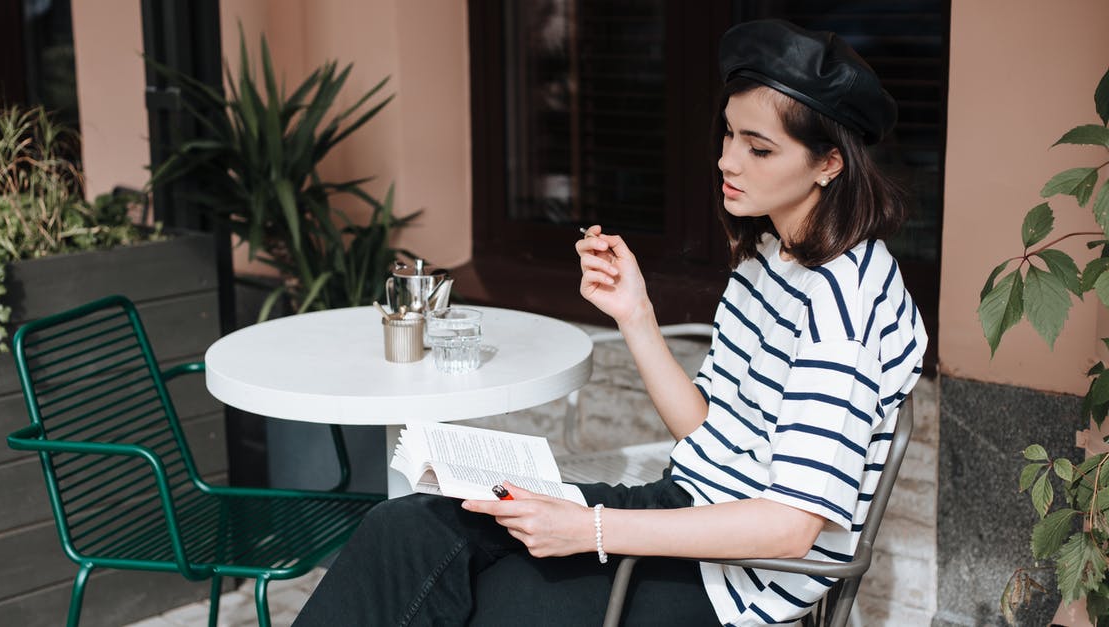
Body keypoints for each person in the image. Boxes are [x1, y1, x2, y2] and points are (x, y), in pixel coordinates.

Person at [292, 18, 926, 627]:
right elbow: (708, 434)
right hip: (686, 508)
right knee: (409, 527)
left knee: (497, 597)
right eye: (728, 136)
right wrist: (636, 314)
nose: (728, 162)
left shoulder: (844, 306)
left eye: (759, 148)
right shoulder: (768, 258)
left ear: (829, 164)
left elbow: (789, 529)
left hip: (736, 576)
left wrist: (586, 528)